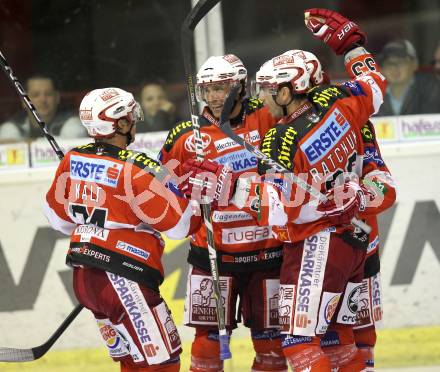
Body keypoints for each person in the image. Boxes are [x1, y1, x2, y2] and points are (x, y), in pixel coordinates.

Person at [185, 8, 395, 371]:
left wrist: (229, 187)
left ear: (286, 91)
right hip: (356, 238)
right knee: (343, 337)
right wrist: (352, 46)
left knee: (299, 342)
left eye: (267, 90)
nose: (261, 98)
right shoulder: (341, 102)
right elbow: (375, 84)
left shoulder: (280, 138)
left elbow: (279, 208)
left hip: (316, 243)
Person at [43, 87, 202, 372]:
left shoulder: (73, 159)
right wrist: (199, 197)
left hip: (86, 282)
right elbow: (181, 227)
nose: (135, 121)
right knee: (161, 363)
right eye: (130, 117)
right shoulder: (139, 167)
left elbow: (58, 221)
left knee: (133, 362)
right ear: (120, 123)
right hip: (123, 280)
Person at [159, 54, 288, 372]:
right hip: (211, 254)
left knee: (272, 346)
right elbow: (163, 189)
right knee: (207, 347)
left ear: (241, 87)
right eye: (209, 89)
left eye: (223, 87)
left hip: (268, 253)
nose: (216, 96)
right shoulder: (185, 137)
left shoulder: (267, 116)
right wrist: (186, 193)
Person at [287, 48, 396, 372]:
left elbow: (385, 185)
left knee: (356, 338)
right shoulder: (290, 131)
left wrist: (358, 198)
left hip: (358, 245)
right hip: (328, 246)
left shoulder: (354, 121)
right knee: (339, 339)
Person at [0, 74, 86, 141]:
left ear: (57, 98)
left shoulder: (73, 123)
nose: (43, 100)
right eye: (35, 95)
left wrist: (29, 144)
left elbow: (71, 144)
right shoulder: (12, 126)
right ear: (23, 101)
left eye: (48, 94)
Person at [377, 39, 440, 116]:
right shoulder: (373, 95)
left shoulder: (433, 87)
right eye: (389, 63)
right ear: (381, 69)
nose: (394, 68)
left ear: (415, 64)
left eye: (401, 62)